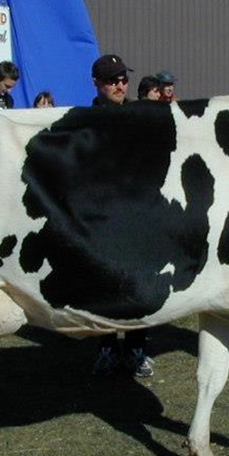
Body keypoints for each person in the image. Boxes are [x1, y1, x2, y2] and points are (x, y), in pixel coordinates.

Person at [88, 54, 154, 377]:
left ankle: (137, 347)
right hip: (103, 219)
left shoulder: (137, 117)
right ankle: (106, 347)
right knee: (104, 288)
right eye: (112, 80)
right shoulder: (85, 120)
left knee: (138, 287)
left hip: (137, 217)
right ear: (97, 83)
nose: (120, 85)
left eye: (123, 79)